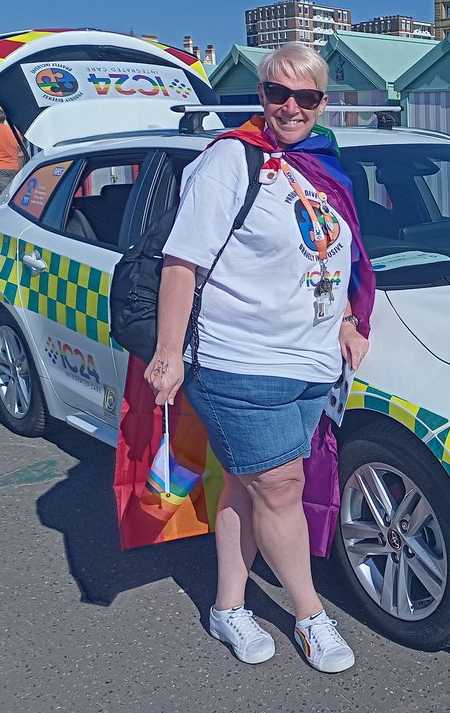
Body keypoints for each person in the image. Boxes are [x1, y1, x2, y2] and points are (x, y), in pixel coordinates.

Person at [145, 43, 374, 673]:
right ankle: (310, 615)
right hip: (240, 362)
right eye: (278, 93)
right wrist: (168, 353)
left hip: (309, 364)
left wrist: (352, 316)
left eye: (307, 96)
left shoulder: (319, 162)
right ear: (261, 94)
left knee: (246, 488)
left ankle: (228, 606)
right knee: (281, 488)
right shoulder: (230, 161)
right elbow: (182, 261)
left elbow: (337, 253)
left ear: (324, 102)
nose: (291, 107)